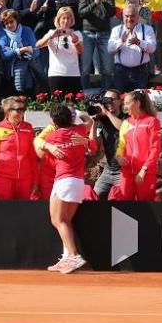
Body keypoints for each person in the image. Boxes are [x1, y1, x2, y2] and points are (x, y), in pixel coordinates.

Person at [39, 104, 97, 275]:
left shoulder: (52, 136)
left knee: (57, 220)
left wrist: (48, 146)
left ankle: (74, 255)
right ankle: (66, 257)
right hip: (78, 182)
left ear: (54, 121)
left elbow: (39, 149)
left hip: (63, 182)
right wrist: (78, 113)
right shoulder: (79, 130)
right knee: (65, 220)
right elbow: (90, 120)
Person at [109, 90, 162, 201]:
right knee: (125, 207)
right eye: (124, 104)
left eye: (128, 103)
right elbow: (121, 145)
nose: (125, 107)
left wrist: (144, 169)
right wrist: (119, 156)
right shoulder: (126, 122)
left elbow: (155, 149)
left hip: (145, 173)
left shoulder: (152, 122)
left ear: (137, 103)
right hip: (127, 173)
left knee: (146, 209)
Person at [0, 96, 40, 200]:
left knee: (24, 212)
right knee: (3, 212)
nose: (22, 113)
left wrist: (35, 182)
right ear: (8, 111)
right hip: (4, 178)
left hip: (25, 179)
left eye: (23, 110)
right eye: (18, 110)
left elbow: (32, 156)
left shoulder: (28, 127)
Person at [37, 6, 84, 93]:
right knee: (57, 104)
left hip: (73, 73)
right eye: (63, 18)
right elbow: (38, 45)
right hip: (56, 73)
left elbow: (80, 51)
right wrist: (51, 37)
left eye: (68, 18)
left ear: (72, 20)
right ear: (58, 19)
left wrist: (75, 40)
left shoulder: (77, 34)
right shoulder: (51, 32)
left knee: (75, 104)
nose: (66, 21)